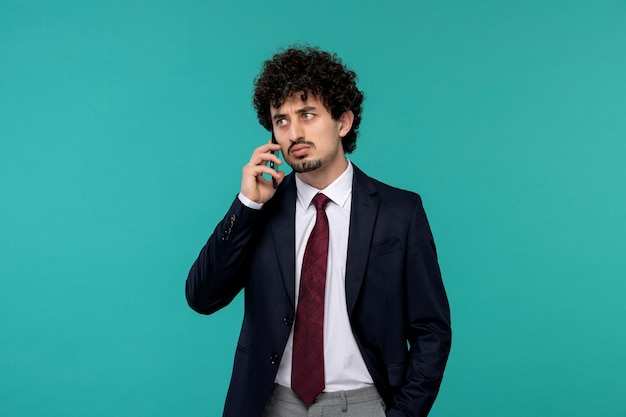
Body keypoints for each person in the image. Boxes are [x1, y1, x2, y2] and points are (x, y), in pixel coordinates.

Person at [186, 46, 451, 417]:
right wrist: (247, 206)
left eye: (307, 115)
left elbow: (431, 329)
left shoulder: (399, 213)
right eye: (281, 120)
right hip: (271, 402)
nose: (294, 132)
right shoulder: (261, 210)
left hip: (364, 403)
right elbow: (202, 297)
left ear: (342, 122)